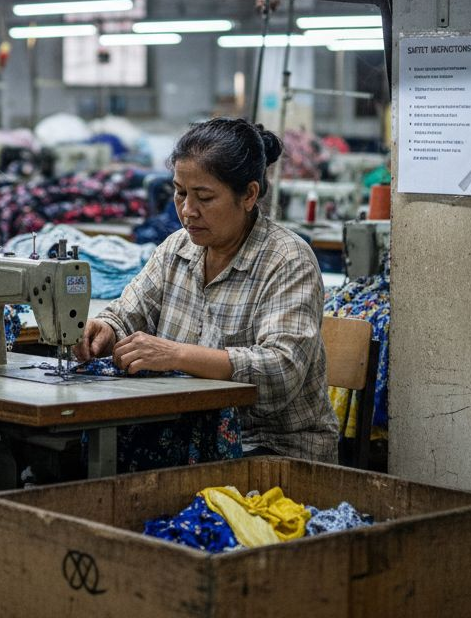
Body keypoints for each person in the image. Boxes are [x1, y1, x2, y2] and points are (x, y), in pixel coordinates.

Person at [73, 117, 338, 463]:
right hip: (188, 430)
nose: (187, 210)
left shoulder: (287, 260)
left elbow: (281, 370)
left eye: (204, 197)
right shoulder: (178, 249)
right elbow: (127, 314)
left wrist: (177, 355)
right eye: (180, 192)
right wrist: (105, 331)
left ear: (249, 195)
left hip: (272, 449)